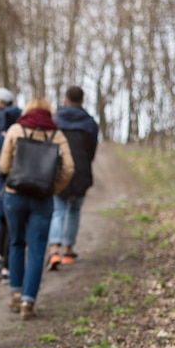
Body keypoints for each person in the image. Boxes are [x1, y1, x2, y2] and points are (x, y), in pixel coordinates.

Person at [0, 98, 74, 319]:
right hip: (42, 198)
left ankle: (15, 293)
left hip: (15, 196)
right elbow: (69, 168)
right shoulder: (56, 135)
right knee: (38, 249)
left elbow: (3, 166)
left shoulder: (15, 129)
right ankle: (28, 302)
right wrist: (52, 187)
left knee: (16, 243)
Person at [47, 86, 99, 270]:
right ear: (82, 101)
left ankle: (54, 250)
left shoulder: (56, 120)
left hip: (59, 171)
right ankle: (68, 252)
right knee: (74, 212)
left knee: (58, 211)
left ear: (65, 99)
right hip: (82, 172)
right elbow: (92, 150)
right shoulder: (90, 123)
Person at [0, 106, 22, 283]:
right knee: (10, 227)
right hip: (10, 186)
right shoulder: (16, 137)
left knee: (0, 220)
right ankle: (6, 267)